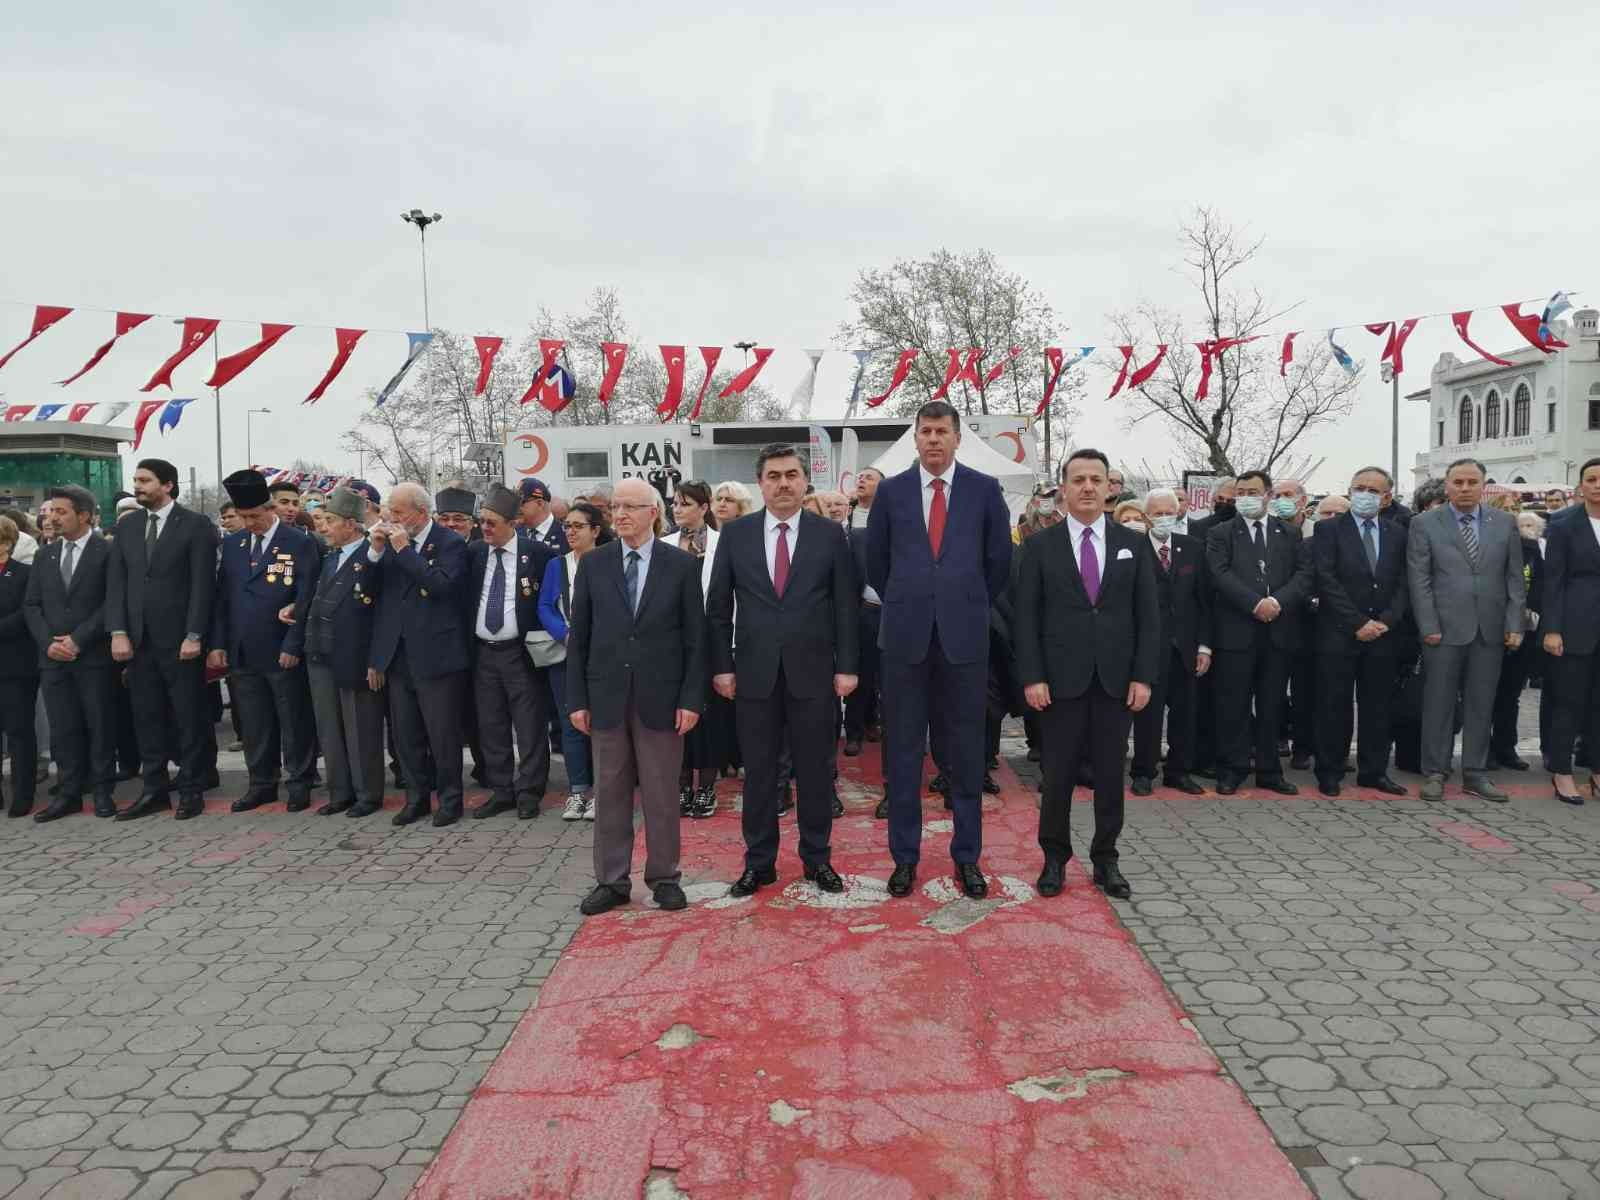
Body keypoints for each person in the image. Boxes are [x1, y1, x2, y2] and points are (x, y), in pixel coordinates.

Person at [866, 400, 1012, 899]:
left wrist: (961, 600)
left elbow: (998, 563)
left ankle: (967, 857)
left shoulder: (983, 490)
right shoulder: (891, 492)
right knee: (903, 754)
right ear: (915, 437)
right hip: (904, 641)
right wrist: (912, 600)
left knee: (966, 755)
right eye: (925, 431)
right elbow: (875, 564)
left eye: (941, 432)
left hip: (964, 641)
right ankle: (904, 859)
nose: (932, 439)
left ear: (956, 438)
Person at [708, 445, 858, 896]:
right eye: (774, 476)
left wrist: (847, 666)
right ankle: (759, 863)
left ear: (804, 481)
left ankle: (817, 860)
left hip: (814, 673)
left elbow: (846, 607)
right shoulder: (736, 535)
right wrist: (722, 667)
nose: (784, 483)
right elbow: (717, 610)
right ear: (761, 483)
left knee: (815, 772)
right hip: (753, 674)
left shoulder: (829, 535)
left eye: (792, 475)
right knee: (758, 775)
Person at [1016, 450, 1159, 899]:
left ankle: (1106, 859)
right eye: (1078, 479)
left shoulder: (1133, 544)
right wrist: (1033, 676)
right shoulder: (1040, 546)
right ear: (1064, 486)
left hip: (1116, 683)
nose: (1087, 487)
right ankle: (1055, 858)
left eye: (1096, 479)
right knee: (1057, 777)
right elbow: (1026, 619)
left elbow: (1149, 618)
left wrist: (1143, 676)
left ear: (1109, 487)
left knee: (1110, 777)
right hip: (1059, 684)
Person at [567, 477, 706, 916]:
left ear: (653, 512)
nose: (621, 514)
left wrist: (691, 699)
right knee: (609, 792)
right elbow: (580, 638)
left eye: (631, 507)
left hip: (662, 700)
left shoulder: (681, 566)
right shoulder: (593, 565)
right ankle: (611, 881)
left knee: (663, 793)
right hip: (605, 697)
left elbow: (695, 642)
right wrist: (576, 700)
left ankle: (664, 877)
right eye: (616, 508)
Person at [105, 458, 220, 822]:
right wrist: (118, 631)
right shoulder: (128, 527)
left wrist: (194, 635)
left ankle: (191, 789)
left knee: (188, 717)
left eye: (145, 480)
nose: (137, 486)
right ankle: (153, 790)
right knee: (146, 717)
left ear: (168, 485)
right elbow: (117, 583)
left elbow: (204, 586)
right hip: (138, 643)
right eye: (136, 480)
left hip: (180, 642)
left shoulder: (196, 525)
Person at [1406, 457, 1526, 802]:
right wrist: (1428, 625)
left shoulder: (1504, 523)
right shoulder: (1425, 523)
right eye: (1458, 482)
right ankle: (1435, 771)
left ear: (1483, 485)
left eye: (1472, 482)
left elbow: (1515, 578)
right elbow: (1420, 579)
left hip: (1490, 630)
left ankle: (1475, 773)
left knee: (1481, 703)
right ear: (1447, 486)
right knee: (1438, 703)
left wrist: (1514, 622)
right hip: (1442, 631)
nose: (1465, 488)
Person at [209, 470, 321, 813]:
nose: (249, 523)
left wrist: (293, 644)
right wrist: (218, 643)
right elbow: (222, 598)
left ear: (270, 508)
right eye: (243, 518)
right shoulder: (232, 544)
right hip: (244, 651)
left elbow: (307, 597)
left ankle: (299, 781)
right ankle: (261, 782)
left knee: (293, 719)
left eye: (254, 516)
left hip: (281, 649)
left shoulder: (299, 542)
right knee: (255, 724)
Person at [369, 482, 471, 827]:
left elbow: (440, 585)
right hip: (399, 656)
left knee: (442, 734)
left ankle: (450, 800)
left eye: (398, 512)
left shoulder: (450, 543)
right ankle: (416, 798)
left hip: (437, 654)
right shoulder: (393, 546)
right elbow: (371, 594)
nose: (392, 518)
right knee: (406, 735)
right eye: (390, 511)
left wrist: (405, 552)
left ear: (421, 512)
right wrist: (375, 552)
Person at [1205, 468, 1312, 795]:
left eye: (1253, 492)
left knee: (1271, 704)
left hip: (1278, 633)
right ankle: (1233, 767)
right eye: (1241, 493)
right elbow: (1218, 574)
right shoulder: (1221, 533)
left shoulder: (1289, 533)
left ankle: (1269, 769)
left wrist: (1277, 602)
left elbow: (1304, 574)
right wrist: (1255, 604)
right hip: (1237, 632)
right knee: (1233, 704)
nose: (1246, 499)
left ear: (1268, 495)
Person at [1313, 467, 1410, 797]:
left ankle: (1373, 771)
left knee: (1378, 707)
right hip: (1340, 632)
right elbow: (1326, 580)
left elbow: (1402, 583)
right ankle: (1330, 770)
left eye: (1373, 490)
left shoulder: (1398, 532)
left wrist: (1386, 620)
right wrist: (1357, 622)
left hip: (1383, 634)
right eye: (1359, 488)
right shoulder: (1328, 530)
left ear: (1386, 497)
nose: (1365, 494)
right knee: (1333, 705)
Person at [461, 485, 555, 820]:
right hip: (484, 653)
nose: (484, 528)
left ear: (512, 523)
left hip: (521, 652)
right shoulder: (474, 553)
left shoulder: (537, 554)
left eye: (491, 523)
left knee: (529, 725)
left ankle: (529, 791)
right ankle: (501, 789)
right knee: (491, 724)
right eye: (482, 521)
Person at [23, 486, 116, 822]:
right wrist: (48, 642)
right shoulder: (44, 554)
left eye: (61, 512)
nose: (52, 518)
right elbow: (32, 604)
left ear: (85, 515)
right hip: (52, 660)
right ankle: (69, 793)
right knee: (64, 729)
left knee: (99, 725)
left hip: (91, 657)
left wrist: (77, 640)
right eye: (51, 512)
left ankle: (103, 791)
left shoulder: (105, 551)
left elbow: (112, 603)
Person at [300, 487, 387, 818]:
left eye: (331, 521)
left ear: (351, 524)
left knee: (360, 728)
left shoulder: (372, 555)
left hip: (355, 656)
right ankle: (340, 791)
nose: (324, 527)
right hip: (320, 652)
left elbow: (381, 614)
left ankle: (368, 793)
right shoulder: (330, 558)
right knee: (330, 727)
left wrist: (376, 661)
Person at [1129, 488, 1210, 795]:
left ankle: (1178, 771)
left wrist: (1204, 645)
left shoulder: (1192, 548)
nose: (1164, 518)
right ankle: (1143, 771)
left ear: (1178, 513)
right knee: (1147, 715)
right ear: (1147, 516)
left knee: (1185, 714)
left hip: (1186, 648)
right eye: (1157, 513)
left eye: (1169, 512)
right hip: (1148, 648)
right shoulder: (1134, 548)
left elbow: (1203, 601)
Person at [663, 481, 729, 819]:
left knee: (709, 718)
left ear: (704, 508)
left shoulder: (724, 544)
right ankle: (680, 783)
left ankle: (706, 787)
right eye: (674, 503)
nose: (677, 509)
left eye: (685, 503)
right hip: (672, 646)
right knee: (677, 717)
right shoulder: (663, 545)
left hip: (713, 643)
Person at [539, 501, 604, 821]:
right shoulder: (557, 565)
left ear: (596, 531)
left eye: (578, 526)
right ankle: (578, 791)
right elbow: (545, 607)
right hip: (566, 655)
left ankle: (603, 792)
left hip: (604, 657)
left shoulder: (608, 562)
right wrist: (565, 635)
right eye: (567, 526)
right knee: (571, 723)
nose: (570, 532)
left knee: (603, 725)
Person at [1542, 456, 1600, 804]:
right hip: (1574, 626)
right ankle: (1562, 772)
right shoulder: (1563, 523)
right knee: (1569, 701)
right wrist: (1552, 629)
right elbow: (1553, 582)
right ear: (1581, 486)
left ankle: (1595, 770)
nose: (1597, 484)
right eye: (1591, 479)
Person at [1488, 501, 1544, 771]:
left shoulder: (1540, 553)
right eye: (1520, 525)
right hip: (1496, 632)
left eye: (1531, 525)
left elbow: (1542, 588)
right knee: (1486, 694)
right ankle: (1484, 750)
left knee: (1511, 695)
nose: (1526, 530)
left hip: (1527, 635)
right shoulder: (1501, 551)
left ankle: (1505, 748)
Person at [843, 468, 884, 757]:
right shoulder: (847, 518)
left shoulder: (894, 517)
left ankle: (879, 724)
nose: (862, 479)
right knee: (862, 673)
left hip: (894, 611)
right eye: (860, 476)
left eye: (869, 477)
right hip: (863, 610)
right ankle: (854, 731)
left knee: (892, 676)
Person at [0, 516, 39, 818]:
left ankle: (23, 794)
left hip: (15, 665)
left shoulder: (25, 573)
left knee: (19, 731)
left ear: (6, 543)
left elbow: (26, 614)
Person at [519, 478, 568, 553]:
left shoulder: (566, 534)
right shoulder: (514, 533)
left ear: (539, 503)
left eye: (521, 502)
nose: (516, 507)